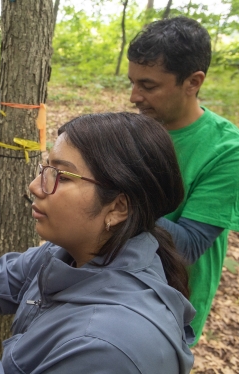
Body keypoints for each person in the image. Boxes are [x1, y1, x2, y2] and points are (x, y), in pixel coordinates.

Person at [0, 112, 196, 374]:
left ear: (118, 208)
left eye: (61, 175)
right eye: (45, 169)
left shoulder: (107, 347)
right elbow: (0, 280)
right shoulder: (70, 254)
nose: (35, 186)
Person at [127, 16, 239, 346]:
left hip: (170, 309)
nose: (134, 97)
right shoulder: (140, 127)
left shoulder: (226, 151)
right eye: (132, 83)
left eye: (148, 86)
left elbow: (188, 245)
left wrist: (117, 192)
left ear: (193, 82)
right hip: (119, 287)